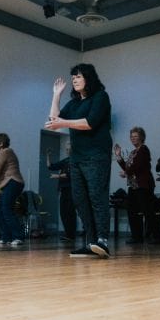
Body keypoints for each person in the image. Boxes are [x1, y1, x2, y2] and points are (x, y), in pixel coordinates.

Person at [45, 64, 113, 259]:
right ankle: (91, 243)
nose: (74, 79)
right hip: (77, 158)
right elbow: (53, 121)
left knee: (97, 198)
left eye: (78, 76)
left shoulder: (100, 97)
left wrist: (63, 123)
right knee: (80, 200)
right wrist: (56, 95)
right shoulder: (74, 104)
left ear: (89, 78)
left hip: (97, 156)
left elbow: (89, 123)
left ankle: (102, 241)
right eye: (73, 77)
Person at [115, 127, 160, 244]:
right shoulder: (133, 152)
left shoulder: (144, 150)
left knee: (148, 211)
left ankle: (157, 236)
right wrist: (119, 157)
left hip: (143, 186)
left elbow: (138, 166)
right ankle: (137, 237)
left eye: (135, 136)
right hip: (133, 186)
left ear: (141, 138)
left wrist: (126, 172)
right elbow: (128, 167)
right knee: (132, 211)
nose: (133, 138)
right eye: (131, 137)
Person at [0, 133, 26, 246]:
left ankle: (18, 237)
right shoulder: (2, 153)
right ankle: (6, 237)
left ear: (1, 144)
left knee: (7, 210)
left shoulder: (6, 151)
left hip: (13, 182)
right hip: (10, 184)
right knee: (0, 211)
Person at [47, 142, 77, 242]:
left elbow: (69, 174)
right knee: (63, 212)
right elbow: (51, 167)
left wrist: (57, 176)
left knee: (70, 212)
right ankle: (68, 234)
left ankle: (71, 235)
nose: (68, 151)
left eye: (69, 149)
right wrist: (48, 155)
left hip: (71, 189)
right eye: (66, 149)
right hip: (64, 189)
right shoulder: (66, 160)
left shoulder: (75, 160)